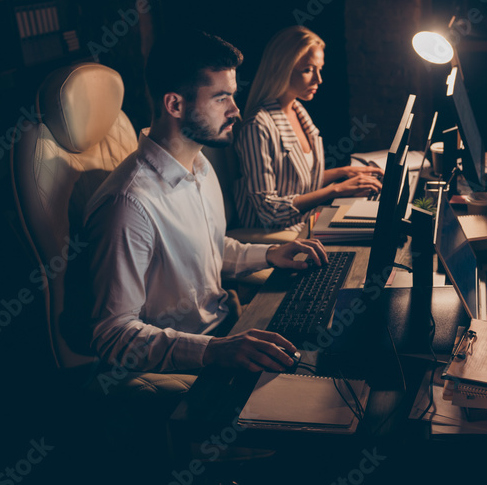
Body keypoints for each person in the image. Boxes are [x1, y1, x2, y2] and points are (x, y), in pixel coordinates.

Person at [84, 30, 329, 374]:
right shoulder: (128, 205)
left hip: (229, 333)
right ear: (175, 105)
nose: (235, 111)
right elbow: (113, 335)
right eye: (221, 98)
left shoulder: (199, 165)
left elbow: (208, 250)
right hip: (197, 362)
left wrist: (269, 254)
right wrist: (215, 351)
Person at [234, 26, 383, 231]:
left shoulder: (297, 109)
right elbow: (268, 211)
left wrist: (345, 172)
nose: (318, 80)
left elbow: (297, 180)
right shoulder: (257, 127)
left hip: (308, 220)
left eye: (319, 69)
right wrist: (336, 190)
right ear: (282, 68)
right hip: (278, 236)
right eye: (308, 70)